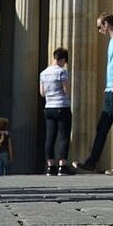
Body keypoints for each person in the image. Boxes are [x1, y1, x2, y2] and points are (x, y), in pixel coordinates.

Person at [78, 13, 113, 175]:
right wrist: (110, 88)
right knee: (102, 127)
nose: (99, 30)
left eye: (99, 26)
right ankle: (91, 162)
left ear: (106, 24)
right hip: (111, 90)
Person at [40, 47, 74, 177]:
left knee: (50, 137)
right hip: (61, 106)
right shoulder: (62, 72)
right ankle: (62, 166)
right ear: (63, 59)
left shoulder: (43, 73)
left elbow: (42, 93)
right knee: (64, 136)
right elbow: (66, 90)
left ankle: (50, 166)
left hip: (49, 107)